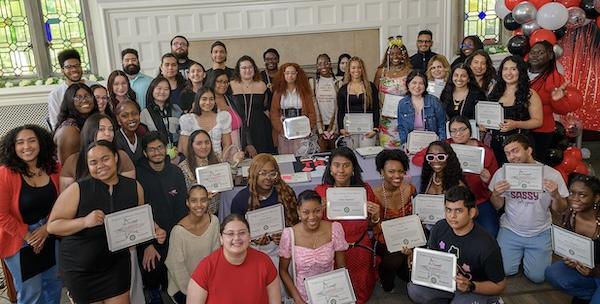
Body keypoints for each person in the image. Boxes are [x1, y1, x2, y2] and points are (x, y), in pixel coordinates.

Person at [47, 140, 166, 304]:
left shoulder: (134, 187)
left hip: (117, 265)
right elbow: (53, 226)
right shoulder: (78, 189)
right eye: (93, 162)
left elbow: (140, 218)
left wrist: (155, 229)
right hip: (82, 268)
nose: (100, 165)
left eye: (105, 159)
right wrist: (84, 222)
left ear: (116, 158)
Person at [407, 185, 507, 304]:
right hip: (445, 281)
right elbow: (433, 260)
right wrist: (420, 264)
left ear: (471, 212)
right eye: (448, 210)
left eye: (458, 211)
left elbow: (500, 286)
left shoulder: (487, 245)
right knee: (414, 289)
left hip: (474, 287)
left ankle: (491, 301)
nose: (452, 216)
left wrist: (471, 286)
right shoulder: (439, 227)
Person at [489, 134, 568, 283]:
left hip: (540, 232)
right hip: (510, 229)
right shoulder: (502, 173)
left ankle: (529, 256)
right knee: (504, 271)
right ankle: (517, 255)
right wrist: (495, 194)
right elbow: (497, 205)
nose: (512, 156)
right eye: (508, 153)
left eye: (515, 150)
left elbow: (561, 210)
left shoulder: (552, 174)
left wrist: (556, 195)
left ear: (529, 150)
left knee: (537, 277)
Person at [0, 125, 62, 304]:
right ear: (13, 147)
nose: (26, 146)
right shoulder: (5, 173)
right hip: (18, 237)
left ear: (41, 143)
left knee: (54, 285)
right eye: (20, 142)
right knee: (31, 293)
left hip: (49, 230)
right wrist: (30, 237)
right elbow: (2, 215)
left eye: (31, 140)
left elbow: (61, 203)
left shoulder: (54, 168)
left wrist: (46, 229)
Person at [314, 146, 381, 303]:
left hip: (359, 246)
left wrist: (376, 215)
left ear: (353, 169)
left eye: (346, 165)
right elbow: (311, 226)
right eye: (336, 165)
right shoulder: (321, 192)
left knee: (361, 292)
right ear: (330, 169)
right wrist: (317, 211)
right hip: (332, 249)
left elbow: (370, 225)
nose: (341, 170)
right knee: (334, 292)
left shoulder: (365, 190)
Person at [136, 131, 188, 303]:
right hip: (150, 236)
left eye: (160, 147)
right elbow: (137, 211)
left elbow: (182, 207)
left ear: (166, 149)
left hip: (174, 232)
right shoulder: (138, 175)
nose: (157, 152)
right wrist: (147, 245)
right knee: (152, 265)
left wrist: (181, 236)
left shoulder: (176, 172)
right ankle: (152, 290)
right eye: (151, 149)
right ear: (145, 153)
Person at [186, 214, 281, 303]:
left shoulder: (264, 262)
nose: (236, 238)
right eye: (230, 234)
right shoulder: (206, 268)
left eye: (242, 233)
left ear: (249, 236)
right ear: (221, 238)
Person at [231, 153, 299, 273]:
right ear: (254, 174)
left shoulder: (286, 193)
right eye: (263, 173)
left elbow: (296, 225)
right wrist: (252, 240)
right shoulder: (240, 199)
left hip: (283, 252)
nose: (268, 177)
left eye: (272, 173)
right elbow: (235, 234)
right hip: (252, 253)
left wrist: (286, 236)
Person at [278, 190, 348, 304]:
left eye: (317, 211)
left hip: (330, 293)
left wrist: (342, 293)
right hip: (302, 295)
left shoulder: (335, 229)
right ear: (298, 212)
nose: (312, 217)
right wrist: (297, 298)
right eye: (306, 212)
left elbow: (341, 267)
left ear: (322, 209)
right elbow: (283, 270)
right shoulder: (289, 234)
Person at [545, 174, 600, 303]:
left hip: (596, 271)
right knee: (552, 273)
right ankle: (591, 294)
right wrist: (572, 258)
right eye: (571, 193)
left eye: (582, 195)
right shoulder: (571, 215)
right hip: (587, 270)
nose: (574, 199)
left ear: (596, 198)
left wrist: (594, 272)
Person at [165, 184, 221, 304]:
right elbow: (177, 269)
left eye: (203, 200)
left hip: (208, 283)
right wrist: (195, 293)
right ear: (187, 203)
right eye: (194, 201)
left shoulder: (214, 222)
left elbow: (216, 256)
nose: (199, 205)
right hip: (183, 288)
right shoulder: (178, 232)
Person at [528, 41, 582, 164]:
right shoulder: (519, 72)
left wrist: (556, 100)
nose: (535, 55)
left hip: (540, 130)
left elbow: (562, 110)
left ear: (550, 56)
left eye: (541, 53)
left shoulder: (556, 78)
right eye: (533, 52)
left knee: (535, 163)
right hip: (519, 126)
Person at [372, 149, 416, 292]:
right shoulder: (374, 195)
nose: (397, 176)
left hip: (409, 235)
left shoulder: (410, 190)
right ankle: (386, 279)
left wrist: (411, 243)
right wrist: (397, 243)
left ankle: (403, 270)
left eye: (401, 171)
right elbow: (372, 225)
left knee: (410, 275)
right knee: (395, 257)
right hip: (384, 238)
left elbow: (414, 218)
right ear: (381, 172)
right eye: (391, 171)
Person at [448, 116, 500, 236]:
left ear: (470, 130)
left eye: (462, 129)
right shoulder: (446, 147)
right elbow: (423, 157)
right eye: (454, 131)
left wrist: (487, 180)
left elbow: (496, 181)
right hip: (454, 201)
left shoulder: (486, 151)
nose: (458, 134)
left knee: (491, 232)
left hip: (480, 200)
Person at [486, 56, 543, 165]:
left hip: (520, 146)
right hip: (496, 143)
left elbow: (538, 121)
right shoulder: (495, 91)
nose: (509, 73)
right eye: (505, 69)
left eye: (513, 69)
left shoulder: (530, 93)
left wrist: (516, 124)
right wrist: (485, 124)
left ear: (520, 71)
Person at [59, 113, 135, 192]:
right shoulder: (73, 161)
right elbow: (65, 197)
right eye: (101, 129)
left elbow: (130, 191)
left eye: (111, 129)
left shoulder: (121, 156)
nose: (108, 133)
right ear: (90, 131)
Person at [230, 55, 276, 156]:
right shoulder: (231, 85)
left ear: (254, 69)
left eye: (250, 67)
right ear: (238, 70)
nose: (247, 70)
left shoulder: (262, 85)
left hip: (260, 128)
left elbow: (268, 108)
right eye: (244, 68)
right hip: (239, 128)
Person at [270, 63, 317, 154]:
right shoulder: (278, 92)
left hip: (301, 129)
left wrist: (308, 128)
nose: (290, 76)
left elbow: (312, 112)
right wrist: (280, 129)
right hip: (284, 130)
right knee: (285, 156)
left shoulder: (304, 92)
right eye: (287, 73)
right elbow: (274, 113)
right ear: (283, 75)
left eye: (292, 73)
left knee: (301, 155)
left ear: (297, 74)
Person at [374, 36, 412, 149]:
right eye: (392, 54)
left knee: (404, 149)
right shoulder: (381, 72)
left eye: (398, 53)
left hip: (403, 117)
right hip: (385, 118)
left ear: (404, 55)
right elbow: (374, 93)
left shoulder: (410, 72)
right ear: (388, 55)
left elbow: (414, 94)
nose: (395, 56)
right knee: (386, 150)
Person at [337, 56, 380, 148]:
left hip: (368, 128)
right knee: (351, 156)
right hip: (349, 128)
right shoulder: (343, 90)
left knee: (366, 155)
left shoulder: (371, 87)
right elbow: (340, 110)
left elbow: (376, 108)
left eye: (359, 67)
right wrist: (341, 128)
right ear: (349, 70)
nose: (356, 70)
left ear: (362, 69)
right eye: (353, 67)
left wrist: (375, 128)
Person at [48, 49, 96, 130]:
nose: (74, 70)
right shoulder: (56, 94)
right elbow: (55, 124)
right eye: (68, 67)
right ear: (62, 70)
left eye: (76, 65)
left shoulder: (94, 86)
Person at [179, 87, 233, 158]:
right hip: (195, 162)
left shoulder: (223, 117)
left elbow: (227, 144)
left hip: (219, 161)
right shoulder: (188, 119)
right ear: (198, 100)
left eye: (211, 99)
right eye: (204, 99)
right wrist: (197, 162)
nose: (208, 103)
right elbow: (185, 147)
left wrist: (222, 161)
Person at [177, 130, 222, 214]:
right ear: (191, 146)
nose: (204, 146)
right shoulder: (183, 167)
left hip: (218, 211)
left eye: (207, 142)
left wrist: (233, 164)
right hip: (197, 213)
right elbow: (183, 196)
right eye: (199, 143)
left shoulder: (217, 158)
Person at [397, 70, 446, 146]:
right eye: (414, 83)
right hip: (411, 145)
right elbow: (401, 127)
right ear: (408, 84)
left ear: (425, 86)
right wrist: (404, 143)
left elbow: (441, 126)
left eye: (421, 83)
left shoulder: (434, 101)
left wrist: (441, 145)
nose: (417, 86)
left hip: (432, 145)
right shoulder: (402, 103)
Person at [53, 83, 98, 164]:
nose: (84, 100)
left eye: (87, 96)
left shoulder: (88, 121)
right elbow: (67, 167)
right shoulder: (69, 130)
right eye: (78, 97)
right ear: (70, 101)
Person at [140, 75, 183, 149]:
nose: (162, 92)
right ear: (152, 90)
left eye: (166, 89)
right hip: (156, 153)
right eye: (159, 88)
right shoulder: (145, 113)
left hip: (177, 150)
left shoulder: (177, 109)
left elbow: (183, 132)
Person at [208, 68, 243, 148]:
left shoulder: (232, 100)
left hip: (237, 149)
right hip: (216, 151)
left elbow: (243, 122)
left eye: (226, 82)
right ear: (212, 81)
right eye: (219, 81)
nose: (223, 85)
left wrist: (248, 144)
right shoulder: (207, 103)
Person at [312, 54, 340, 151]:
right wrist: (320, 130)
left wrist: (334, 129)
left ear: (330, 64)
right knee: (321, 155)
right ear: (317, 66)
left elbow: (339, 106)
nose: (323, 66)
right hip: (319, 125)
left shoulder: (338, 82)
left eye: (326, 63)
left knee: (334, 153)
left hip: (334, 124)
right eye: (320, 64)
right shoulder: (313, 82)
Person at [114, 100, 146, 164]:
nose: (131, 118)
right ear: (118, 120)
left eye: (134, 114)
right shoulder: (115, 140)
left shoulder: (142, 135)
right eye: (125, 116)